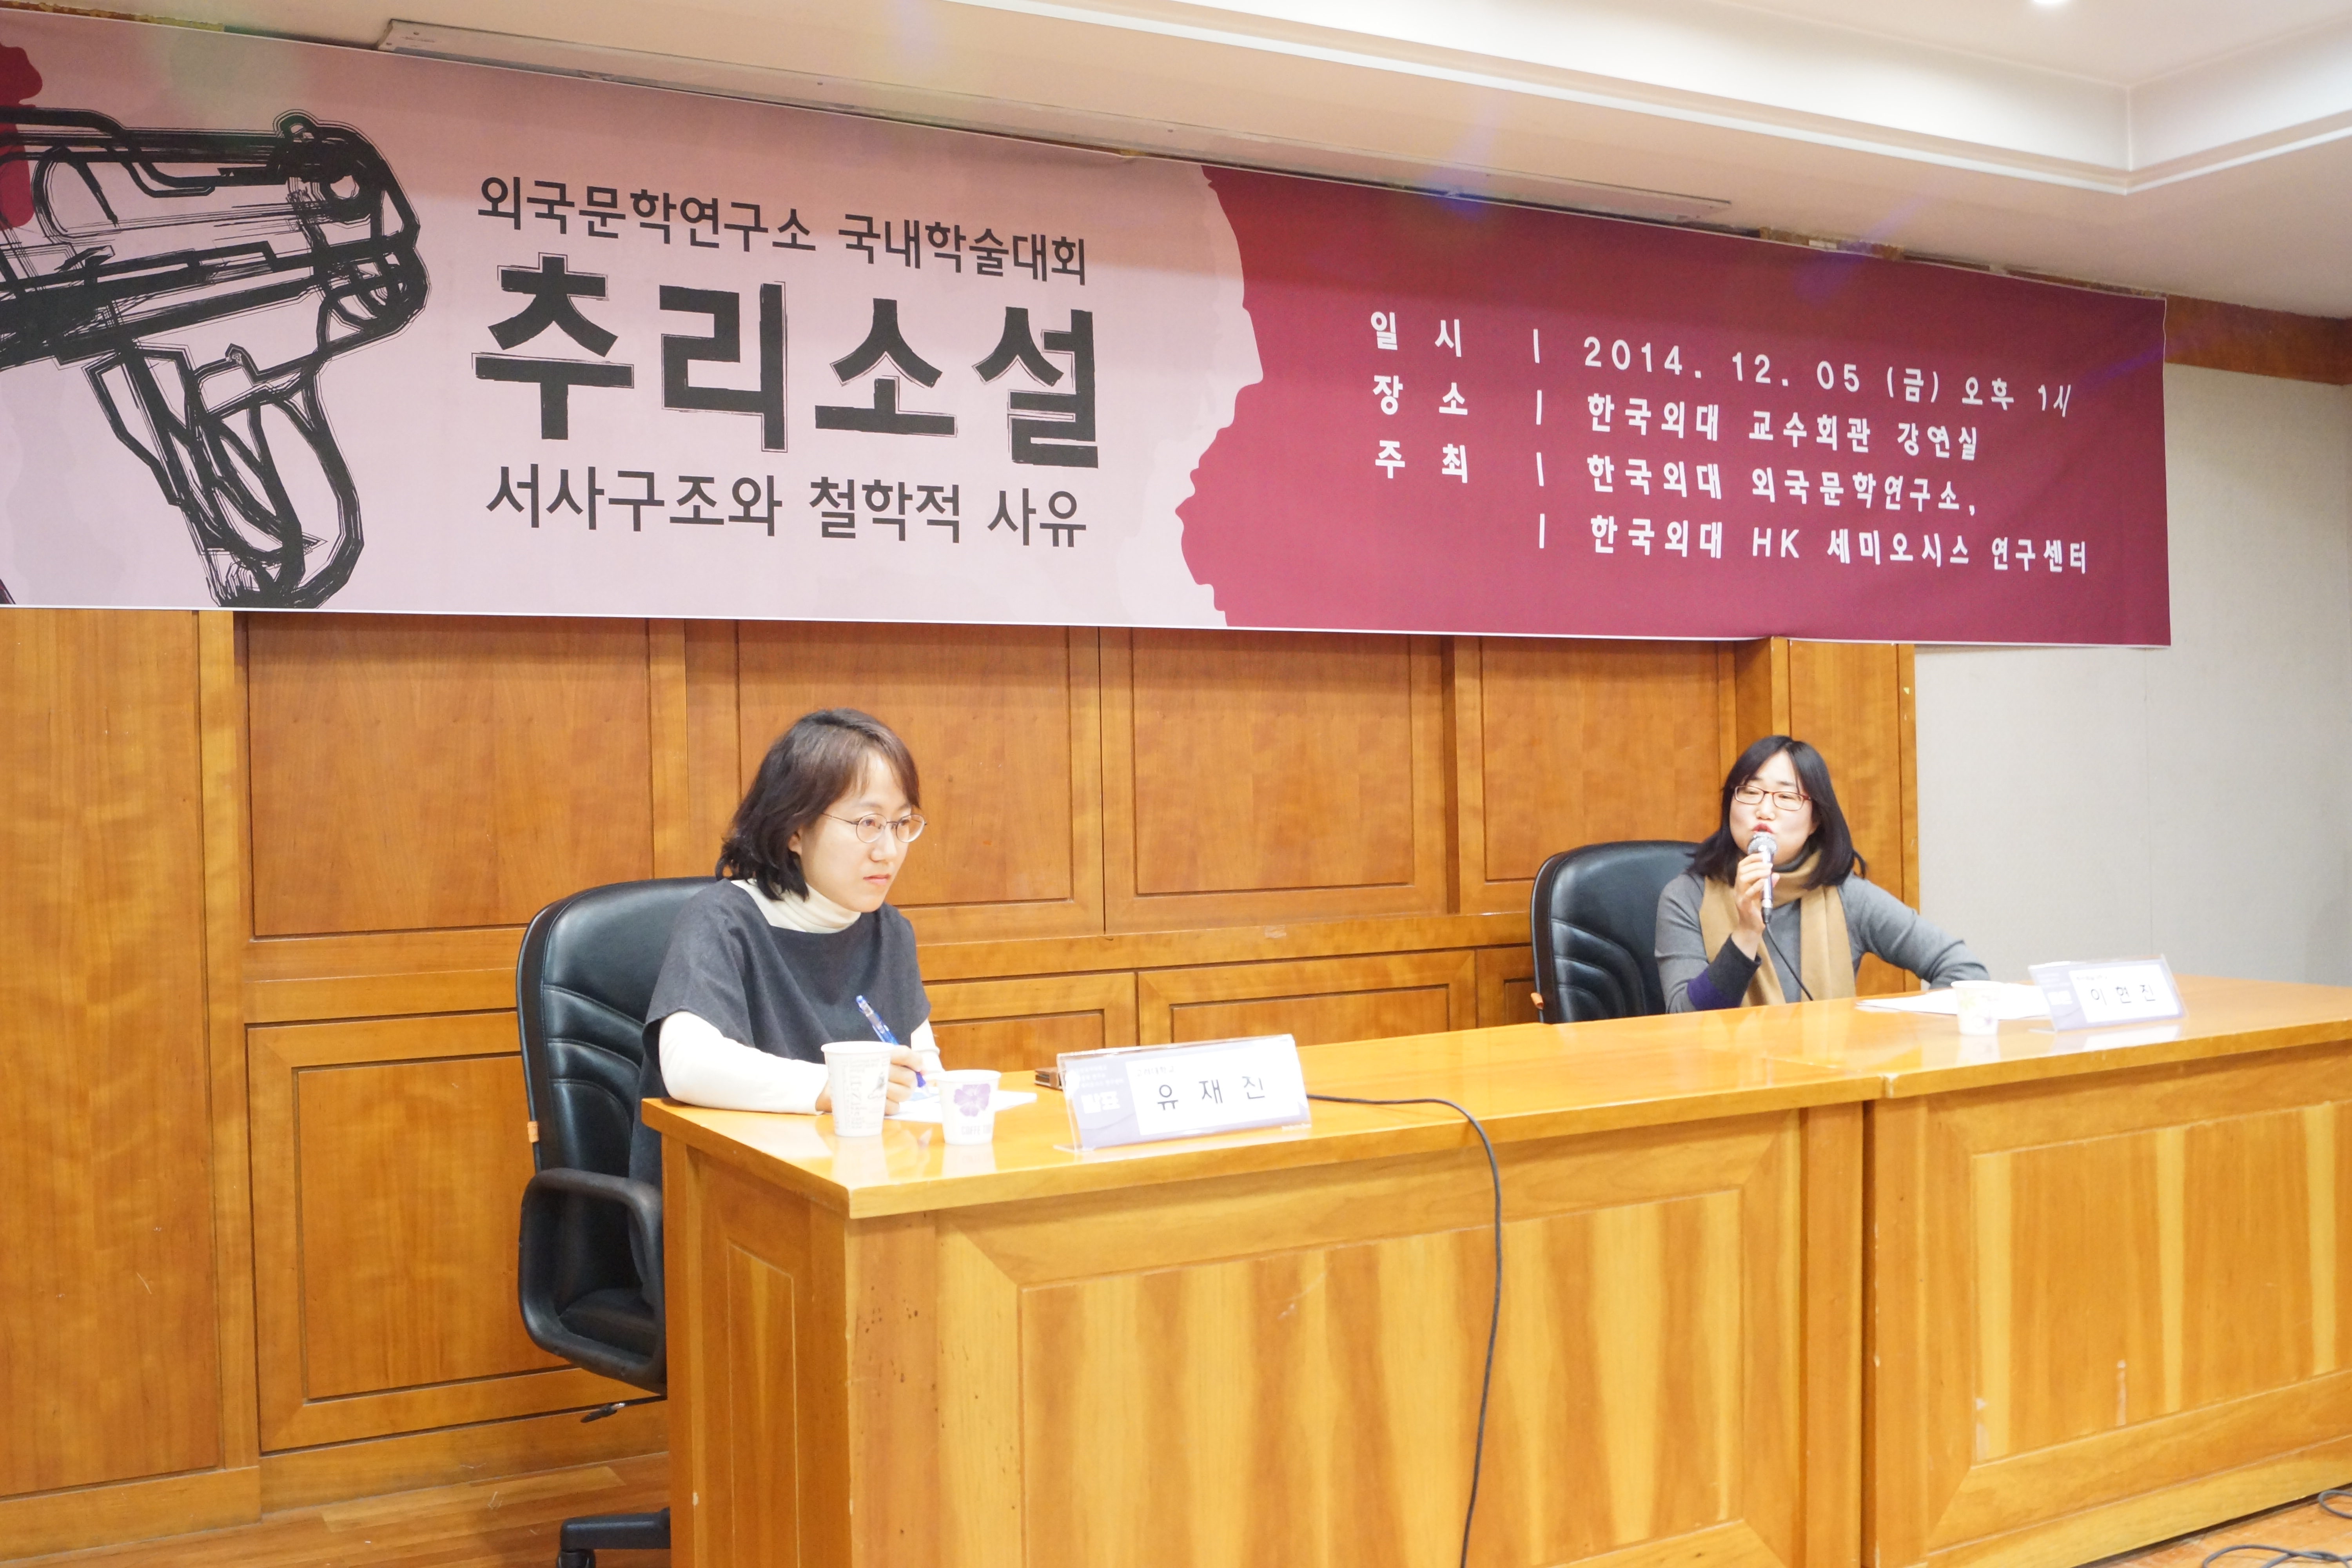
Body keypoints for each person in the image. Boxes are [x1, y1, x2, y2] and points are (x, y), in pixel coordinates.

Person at [628, 708, 937, 1185]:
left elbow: (923, 1074)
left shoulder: (890, 932)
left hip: (854, 1186)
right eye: (868, 823)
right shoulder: (724, 919)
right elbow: (688, 1066)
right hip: (734, 1195)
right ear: (796, 829)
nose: (889, 850)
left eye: (901, 824)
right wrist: (832, 1086)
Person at [1656, 735, 1985, 1011]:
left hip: (1830, 1068)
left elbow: (1965, 970)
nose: (1764, 810)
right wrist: (1746, 933)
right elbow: (1685, 1019)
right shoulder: (1687, 897)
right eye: (1750, 792)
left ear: (1815, 821)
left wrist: (1904, 1037)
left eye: (1787, 797)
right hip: (1726, 1069)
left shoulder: (1845, 896)